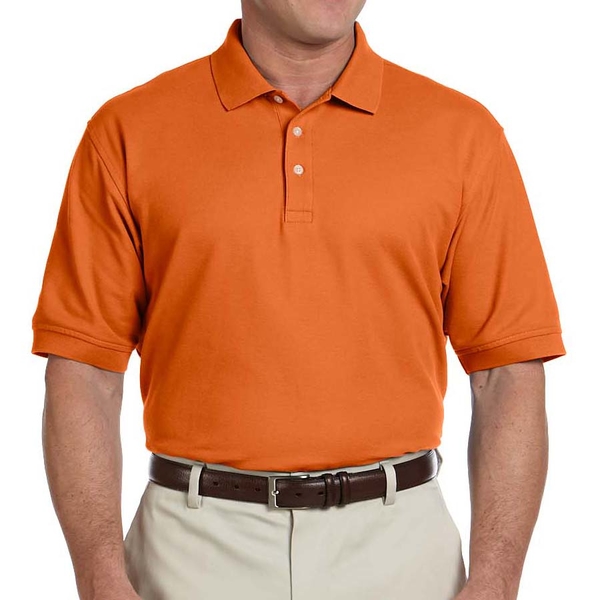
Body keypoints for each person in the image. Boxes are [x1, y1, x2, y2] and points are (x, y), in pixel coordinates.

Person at [30, 1, 566, 599]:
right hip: (189, 553)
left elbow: (507, 373)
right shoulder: (128, 131)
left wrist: (496, 580)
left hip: (402, 552)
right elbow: (83, 371)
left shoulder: (464, 135)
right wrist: (99, 577)